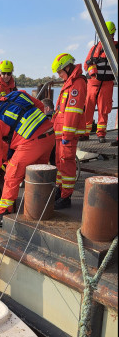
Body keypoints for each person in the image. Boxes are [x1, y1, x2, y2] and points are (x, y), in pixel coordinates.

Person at [0, 89, 55, 226]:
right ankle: (40, 207)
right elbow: (40, 106)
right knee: (37, 174)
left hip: (32, 143)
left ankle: (3, 214)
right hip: (50, 135)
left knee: (11, 174)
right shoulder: (18, 94)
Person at [51, 53, 87, 208]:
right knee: (60, 163)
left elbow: (72, 112)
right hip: (61, 133)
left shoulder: (77, 84)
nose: (59, 76)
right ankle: (60, 190)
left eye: (60, 72)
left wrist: (67, 134)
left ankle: (66, 197)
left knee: (66, 163)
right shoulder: (69, 83)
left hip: (67, 135)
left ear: (67, 67)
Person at [82, 21, 118, 143]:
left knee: (104, 109)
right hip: (92, 83)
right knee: (88, 109)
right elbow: (86, 65)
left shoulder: (116, 47)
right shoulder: (94, 48)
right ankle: (85, 133)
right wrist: (92, 69)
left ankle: (101, 134)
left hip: (107, 84)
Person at [42, 98, 56, 165]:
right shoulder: (57, 115)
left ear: (47, 108)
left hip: (52, 144)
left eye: (42, 108)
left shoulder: (48, 118)